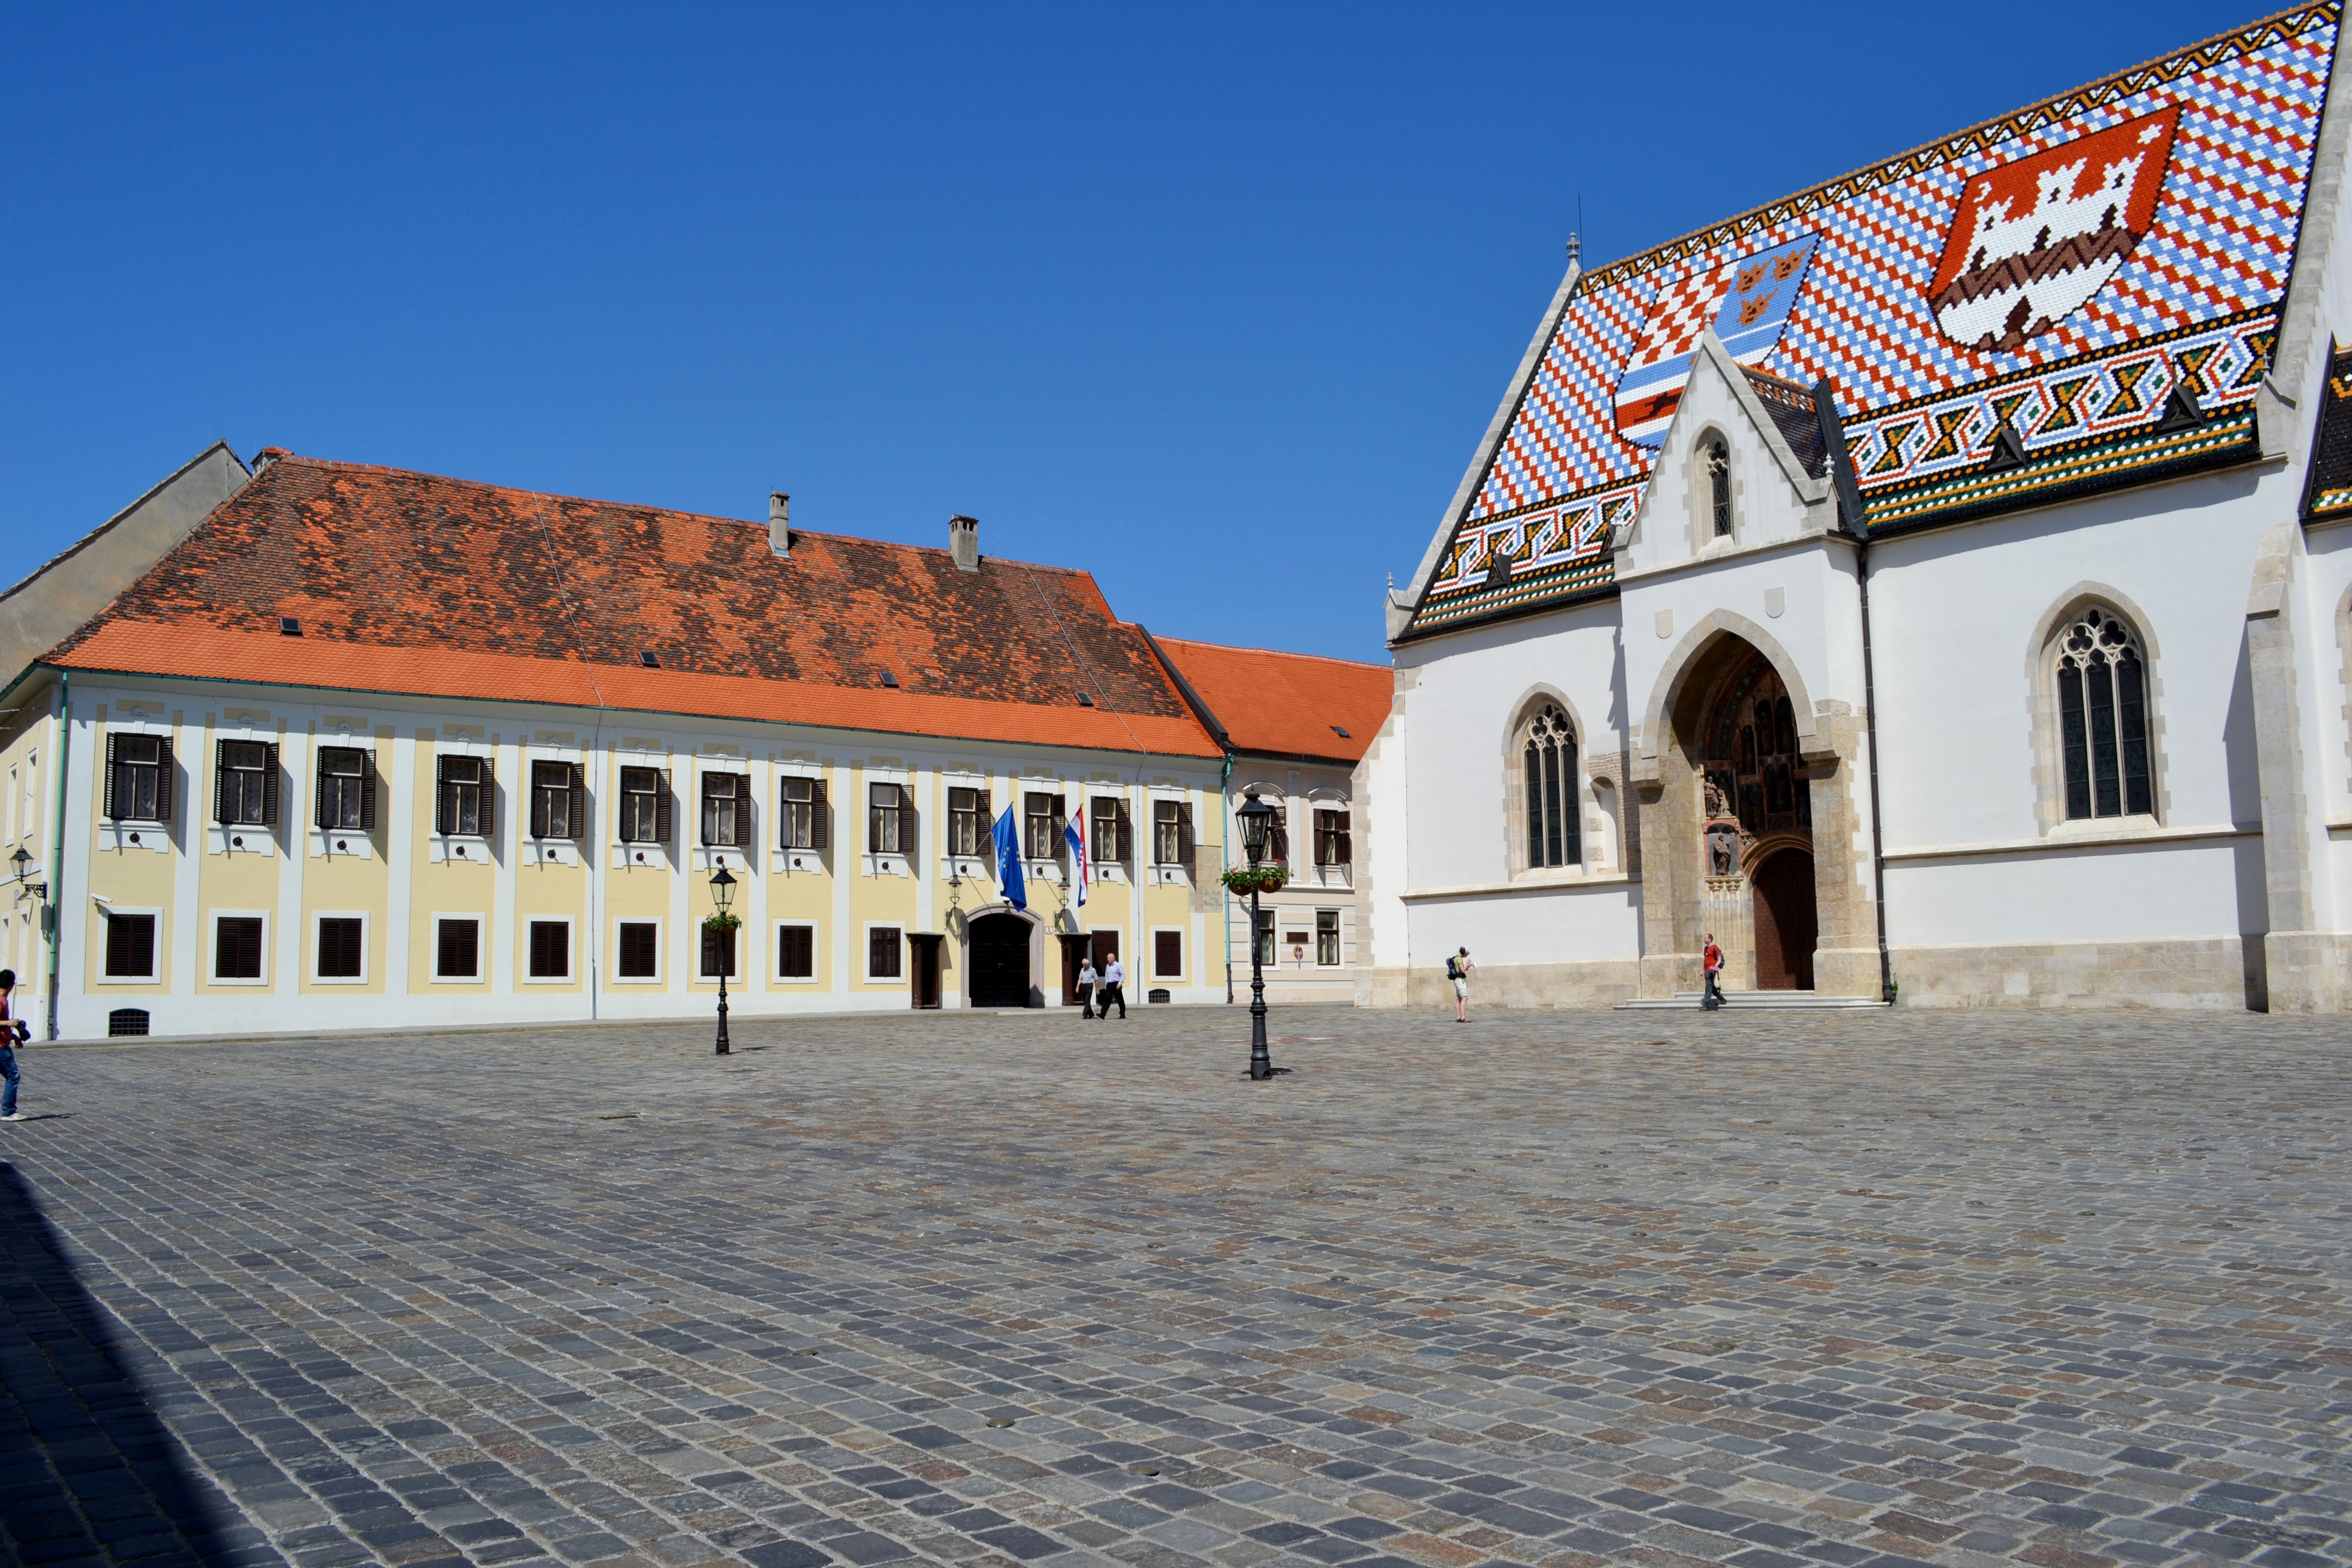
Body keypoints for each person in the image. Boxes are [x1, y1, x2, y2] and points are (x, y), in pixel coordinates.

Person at [0, 969, 26, 1121]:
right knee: (13, 1076)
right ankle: (9, 1112)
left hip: (4, 1042)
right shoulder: (1, 1001)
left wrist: (14, 1035)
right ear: (13, 985)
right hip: (1, 1047)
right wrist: (8, 1023)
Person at [1448, 947, 1474, 1022]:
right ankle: (1463, 1017)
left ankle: (1458, 1016)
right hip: (1460, 980)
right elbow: (1462, 970)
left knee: (1459, 999)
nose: (1466, 956)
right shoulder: (1459, 959)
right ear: (1464, 953)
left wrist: (1466, 968)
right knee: (1465, 998)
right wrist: (1467, 963)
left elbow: (1461, 969)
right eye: (1466, 955)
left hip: (1456, 979)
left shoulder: (1455, 958)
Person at [1097, 954, 1126, 1019]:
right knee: (1107, 999)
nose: (1108, 959)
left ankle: (1122, 1014)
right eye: (1108, 958)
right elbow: (1107, 976)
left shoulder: (1118, 965)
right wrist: (1106, 984)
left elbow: (1123, 975)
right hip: (1110, 985)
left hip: (1116, 984)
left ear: (1113, 958)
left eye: (1109, 958)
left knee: (1120, 1000)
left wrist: (1120, 983)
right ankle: (1103, 1014)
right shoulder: (1108, 966)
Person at [1701, 934, 1725, 1010]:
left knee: (1708, 986)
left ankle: (1705, 1005)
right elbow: (1705, 960)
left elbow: (1719, 959)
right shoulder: (1706, 949)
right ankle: (1722, 999)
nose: (1704, 940)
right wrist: (1702, 970)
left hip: (1712, 970)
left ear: (1710, 939)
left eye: (1705, 938)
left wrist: (1715, 967)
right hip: (1707, 969)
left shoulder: (1715, 948)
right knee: (1711, 986)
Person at [1076, 955, 1098, 1019]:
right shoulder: (1082, 970)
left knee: (1087, 1001)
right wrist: (1078, 987)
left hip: (1089, 986)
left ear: (1088, 964)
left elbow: (1096, 980)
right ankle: (1091, 1014)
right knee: (1086, 1002)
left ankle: (1085, 1014)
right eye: (1083, 965)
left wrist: (1097, 989)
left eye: (1085, 965)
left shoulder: (1093, 970)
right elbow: (1080, 979)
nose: (1084, 966)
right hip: (1084, 986)